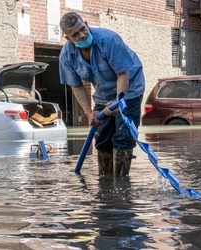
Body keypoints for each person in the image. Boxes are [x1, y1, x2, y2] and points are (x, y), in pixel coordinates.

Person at [59, 12, 145, 177]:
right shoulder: (67, 55)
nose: (82, 35)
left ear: (86, 23)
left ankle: (121, 183)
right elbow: (76, 86)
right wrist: (89, 113)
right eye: (75, 35)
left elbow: (123, 75)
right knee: (102, 137)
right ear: (67, 38)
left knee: (123, 135)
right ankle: (105, 183)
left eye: (83, 29)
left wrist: (118, 103)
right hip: (103, 92)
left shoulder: (109, 40)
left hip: (130, 87)